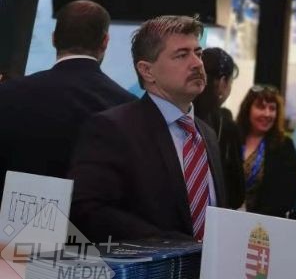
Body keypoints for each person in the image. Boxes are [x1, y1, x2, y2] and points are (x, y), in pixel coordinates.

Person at [69, 15, 226, 243]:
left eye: (198, 53)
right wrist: (170, 244)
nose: (197, 64)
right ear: (147, 71)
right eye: (182, 55)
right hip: (148, 264)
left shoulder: (207, 134)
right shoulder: (113, 128)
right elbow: (88, 209)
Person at [0, 0, 134, 193]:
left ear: (54, 38)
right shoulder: (128, 107)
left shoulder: (7, 93)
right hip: (84, 211)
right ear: (105, 41)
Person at [236, 85, 296, 217]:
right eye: (261, 107)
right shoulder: (232, 138)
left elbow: (288, 193)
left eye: (272, 108)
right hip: (227, 217)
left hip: (264, 223)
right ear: (248, 109)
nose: (267, 114)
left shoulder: (284, 146)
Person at [193, 47, 245, 209]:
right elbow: (237, 193)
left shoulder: (181, 114)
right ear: (222, 82)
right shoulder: (226, 126)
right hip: (215, 214)